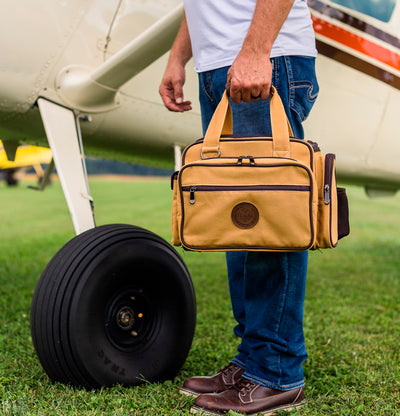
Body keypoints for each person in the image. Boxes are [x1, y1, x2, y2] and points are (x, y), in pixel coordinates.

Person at [159, 1, 319, 414]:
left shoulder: (256, 53)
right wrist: (179, 57)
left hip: (263, 57)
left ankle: (277, 373)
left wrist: (255, 50)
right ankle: (252, 361)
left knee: (269, 219)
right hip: (221, 62)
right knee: (239, 221)